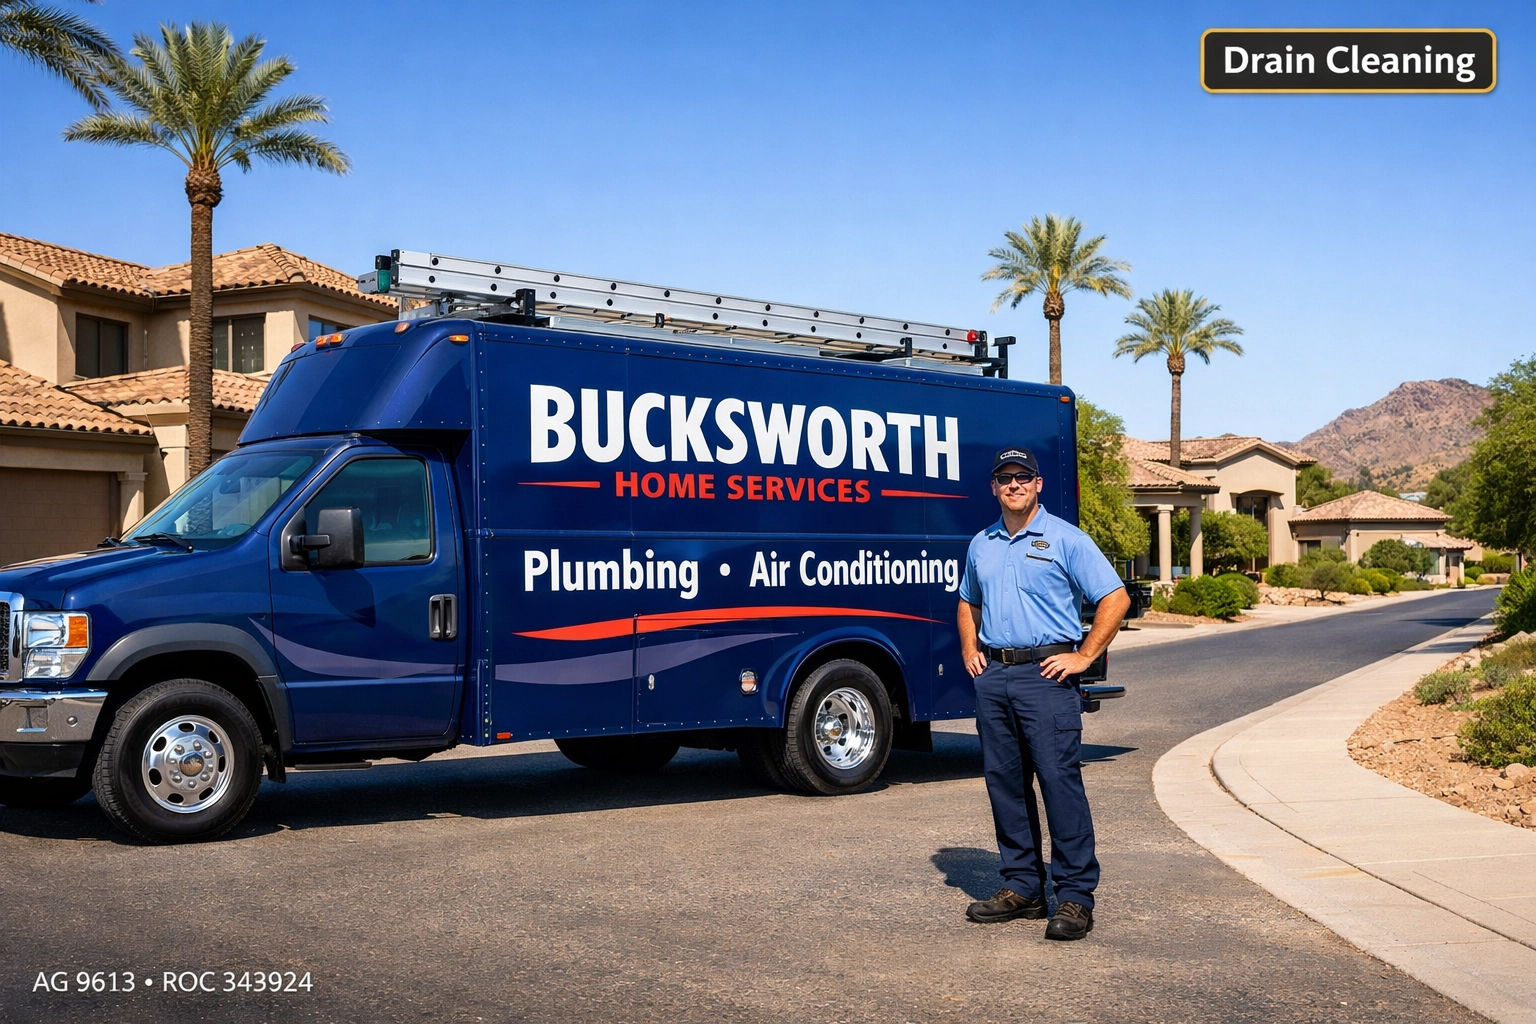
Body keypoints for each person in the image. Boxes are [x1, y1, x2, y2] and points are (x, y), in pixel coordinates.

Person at [957, 446, 1131, 940]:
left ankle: (1075, 897)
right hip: (996, 679)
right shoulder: (981, 544)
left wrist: (1084, 657)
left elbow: (1114, 598)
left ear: (1038, 485)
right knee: (1005, 786)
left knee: (1059, 784)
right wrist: (972, 648)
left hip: (1048, 678)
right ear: (993, 486)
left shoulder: (1066, 539)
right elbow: (968, 599)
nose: (1013, 484)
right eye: (1004, 478)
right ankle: (1023, 888)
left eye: (1023, 477)